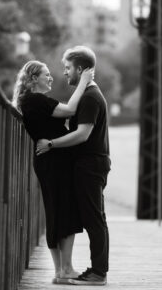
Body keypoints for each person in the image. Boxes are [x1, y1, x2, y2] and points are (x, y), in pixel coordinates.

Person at [11, 60, 94, 284]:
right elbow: (70, 110)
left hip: (48, 161)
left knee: (55, 212)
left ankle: (60, 271)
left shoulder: (29, 101)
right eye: (46, 74)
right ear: (33, 78)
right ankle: (65, 270)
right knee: (65, 210)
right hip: (56, 161)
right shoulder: (36, 100)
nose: (51, 78)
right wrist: (83, 83)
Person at [36, 46, 110, 286]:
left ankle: (99, 273)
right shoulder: (88, 93)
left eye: (68, 68)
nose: (65, 73)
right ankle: (97, 270)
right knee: (93, 217)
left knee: (94, 218)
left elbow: (82, 135)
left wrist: (51, 144)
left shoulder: (89, 97)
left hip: (90, 165)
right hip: (90, 164)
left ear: (80, 69)